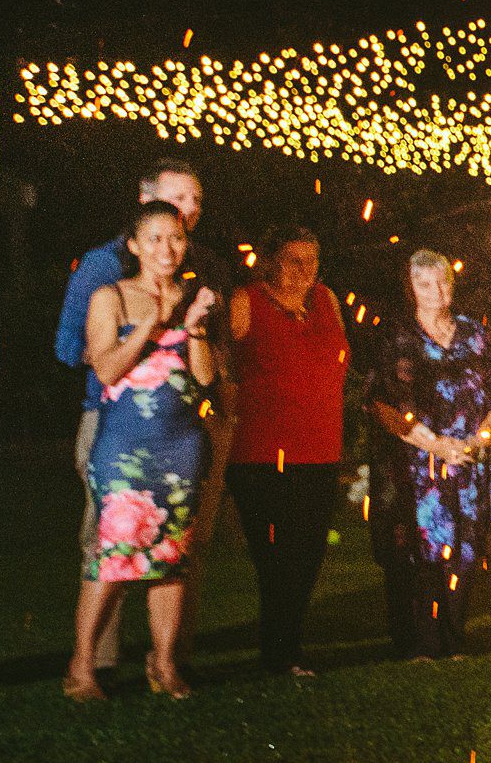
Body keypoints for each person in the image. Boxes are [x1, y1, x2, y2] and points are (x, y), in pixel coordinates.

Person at [55, 158, 216, 676]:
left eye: (175, 240)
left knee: (171, 557)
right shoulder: (111, 294)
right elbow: (104, 368)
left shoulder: (192, 295)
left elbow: (205, 380)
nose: (167, 250)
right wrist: (148, 324)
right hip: (123, 443)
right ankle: (84, 666)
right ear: (134, 244)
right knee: (112, 554)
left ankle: (164, 664)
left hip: (181, 444)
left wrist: (194, 330)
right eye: (155, 239)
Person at [367, 249, 491, 660]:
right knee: (423, 551)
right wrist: (436, 444)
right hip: (418, 465)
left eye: (442, 281)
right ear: (410, 289)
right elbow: (382, 404)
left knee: (465, 551)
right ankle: (421, 643)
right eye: (424, 284)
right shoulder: (399, 339)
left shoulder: (473, 334)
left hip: (468, 462)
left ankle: (453, 638)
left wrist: (481, 437)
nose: (436, 291)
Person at [225, 227, 348, 677]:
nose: (304, 270)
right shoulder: (246, 303)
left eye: (312, 260)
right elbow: (224, 370)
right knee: (276, 555)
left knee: (309, 552)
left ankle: (288, 647)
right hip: (262, 452)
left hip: (320, 450)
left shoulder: (327, 301)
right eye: (293, 260)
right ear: (271, 261)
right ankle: (278, 653)